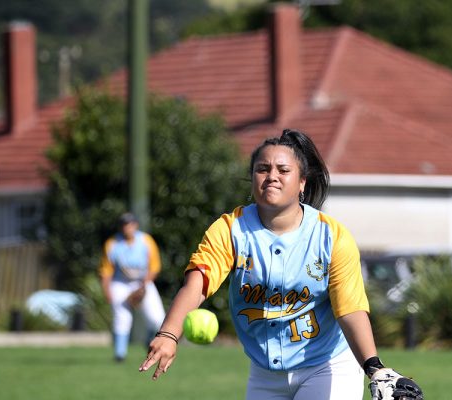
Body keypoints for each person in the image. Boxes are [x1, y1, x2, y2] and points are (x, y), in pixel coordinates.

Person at [139, 129, 423, 399]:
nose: (271, 176)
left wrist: (373, 366)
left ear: (302, 183)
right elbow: (198, 282)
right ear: (252, 179)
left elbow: (349, 309)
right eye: (262, 169)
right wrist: (169, 333)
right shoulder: (231, 229)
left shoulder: (331, 236)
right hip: (265, 373)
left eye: (283, 170)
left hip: (326, 365)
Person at [100, 212, 166, 362]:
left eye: (129, 224)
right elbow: (106, 271)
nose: (127, 227)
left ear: (135, 225)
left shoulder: (146, 240)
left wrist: (143, 285)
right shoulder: (112, 243)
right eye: (124, 224)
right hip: (120, 283)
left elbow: (155, 267)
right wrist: (107, 290)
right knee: (122, 318)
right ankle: (119, 354)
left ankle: (148, 339)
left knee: (158, 319)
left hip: (143, 281)